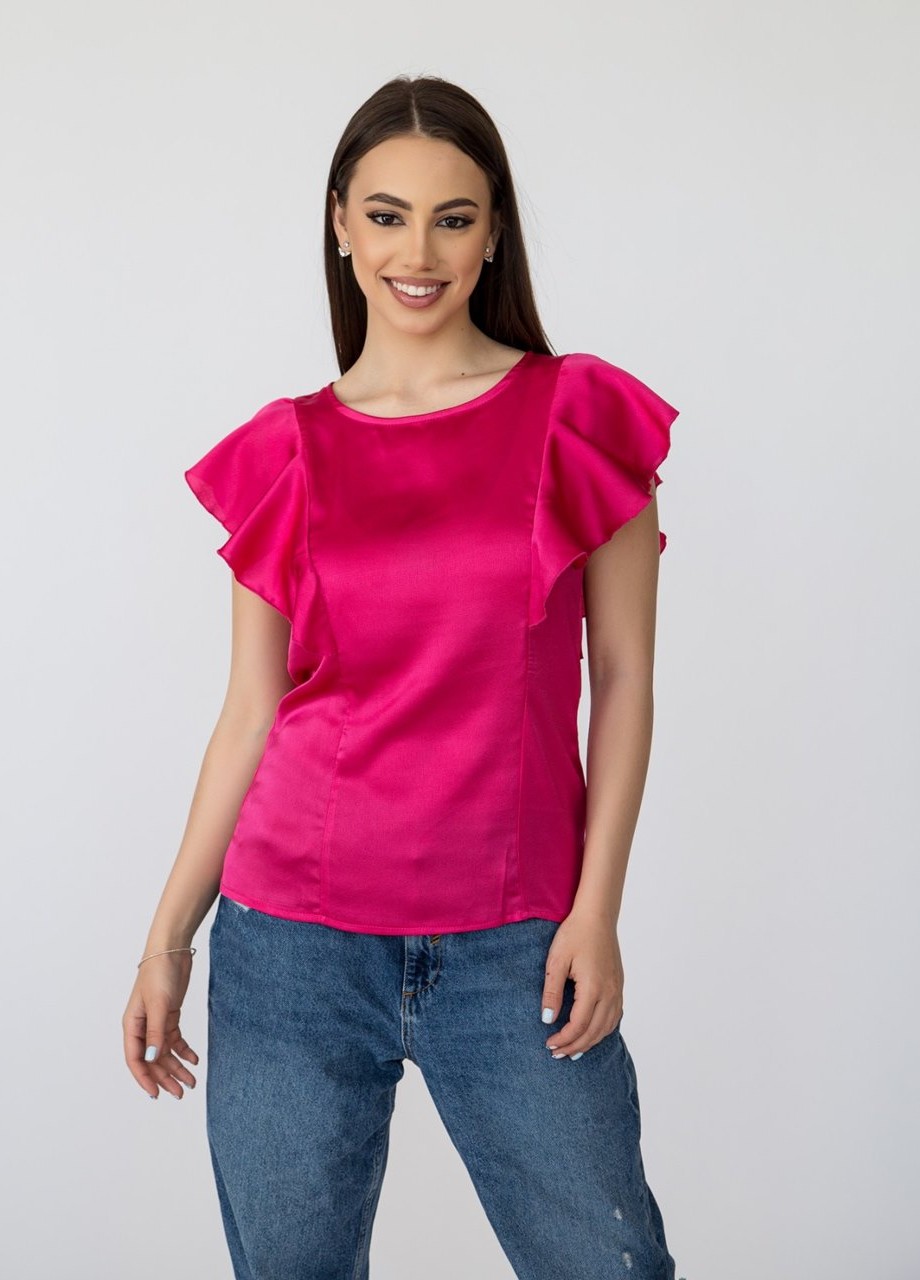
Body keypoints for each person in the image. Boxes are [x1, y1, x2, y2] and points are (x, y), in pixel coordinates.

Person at [122, 73, 684, 1280]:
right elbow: (249, 715)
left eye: (451, 217)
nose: (415, 253)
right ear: (339, 224)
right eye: (384, 216)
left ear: (492, 233)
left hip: (518, 942)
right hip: (291, 946)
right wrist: (168, 934)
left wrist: (596, 908)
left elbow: (624, 678)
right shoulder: (286, 450)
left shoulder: (575, 415)